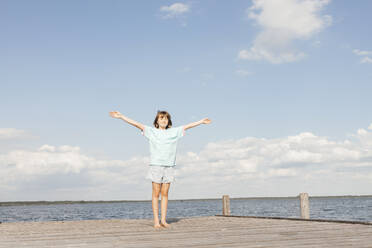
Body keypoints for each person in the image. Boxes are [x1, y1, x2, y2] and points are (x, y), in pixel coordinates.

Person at [109, 110, 211, 229]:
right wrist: (121, 116)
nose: (164, 120)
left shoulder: (174, 132)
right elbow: (136, 124)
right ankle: (156, 221)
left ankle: (163, 220)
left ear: (169, 121)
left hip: (169, 166)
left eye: (166, 118)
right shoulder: (152, 132)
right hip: (156, 165)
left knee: (165, 194)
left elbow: (188, 126)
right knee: (156, 193)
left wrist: (201, 121)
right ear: (157, 121)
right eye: (161, 118)